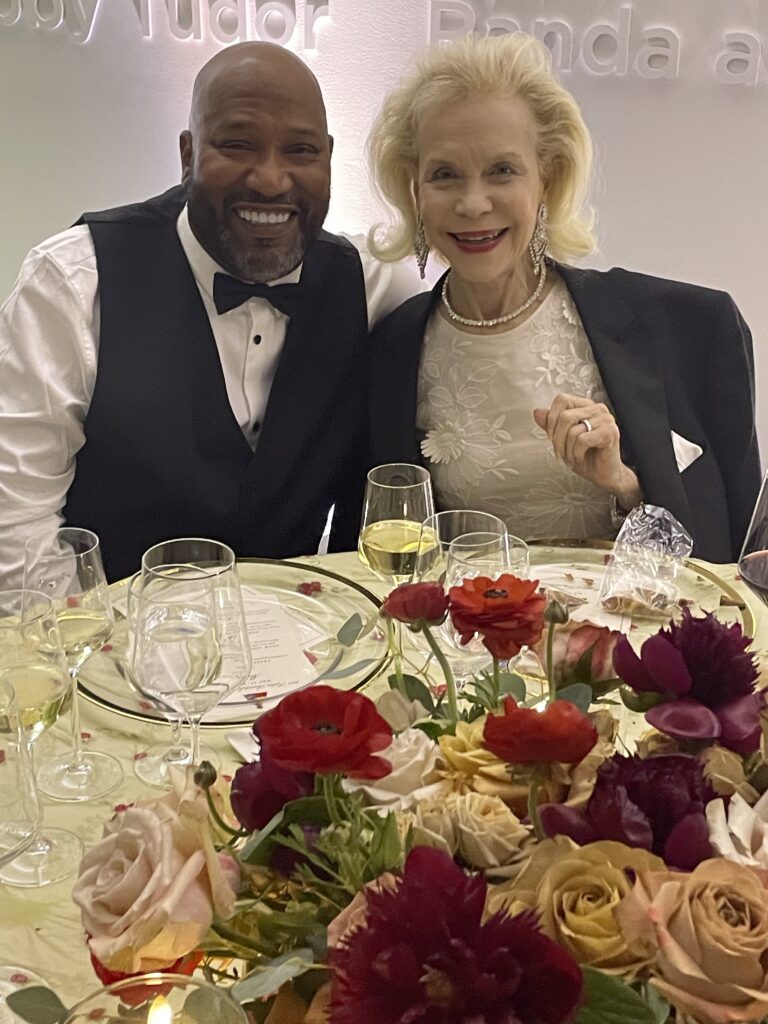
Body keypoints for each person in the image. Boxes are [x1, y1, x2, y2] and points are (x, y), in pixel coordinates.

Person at [0, 42, 422, 584]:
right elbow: (17, 526)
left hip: (304, 624)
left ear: (328, 158)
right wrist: (97, 631)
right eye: (238, 144)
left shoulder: (372, 286)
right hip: (115, 625)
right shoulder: (73, 283)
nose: (271, 180)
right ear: (188, 155)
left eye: (300, 150)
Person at [366, 33, 760, 563]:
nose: (473, 203)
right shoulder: (389, 348)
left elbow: (736, 565)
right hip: (464, 618)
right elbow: (378, 550)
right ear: (414, 189)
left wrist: (624, 485)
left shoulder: (692, 327)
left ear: (546, 179)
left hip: (628, 618)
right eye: (444, 175)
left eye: (502, 171)